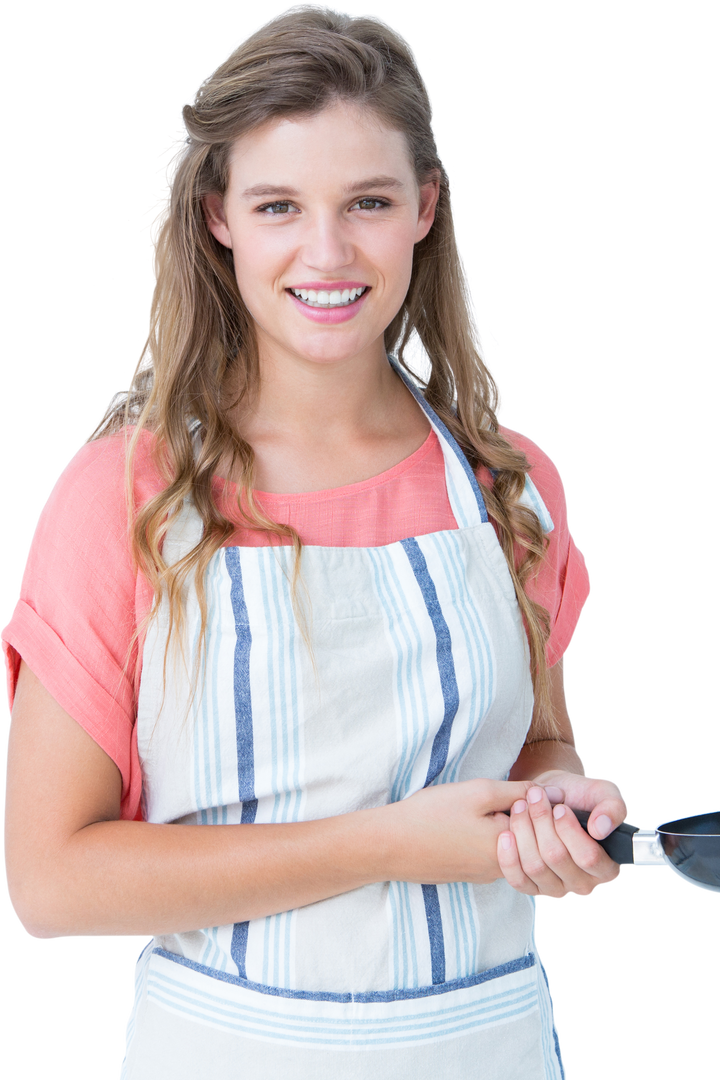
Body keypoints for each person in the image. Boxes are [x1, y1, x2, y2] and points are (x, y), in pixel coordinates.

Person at [1, 4, 627, 1077]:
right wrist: (387, 844)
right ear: (218, 220)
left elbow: (540, 742)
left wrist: (558, 802)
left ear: (425, 210)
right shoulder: (123, 494)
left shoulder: (506, 485)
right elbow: (51, 885)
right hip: (229, 1051)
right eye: (279, 204)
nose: (327, 252)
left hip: (494, 1047)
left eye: (368, 202)